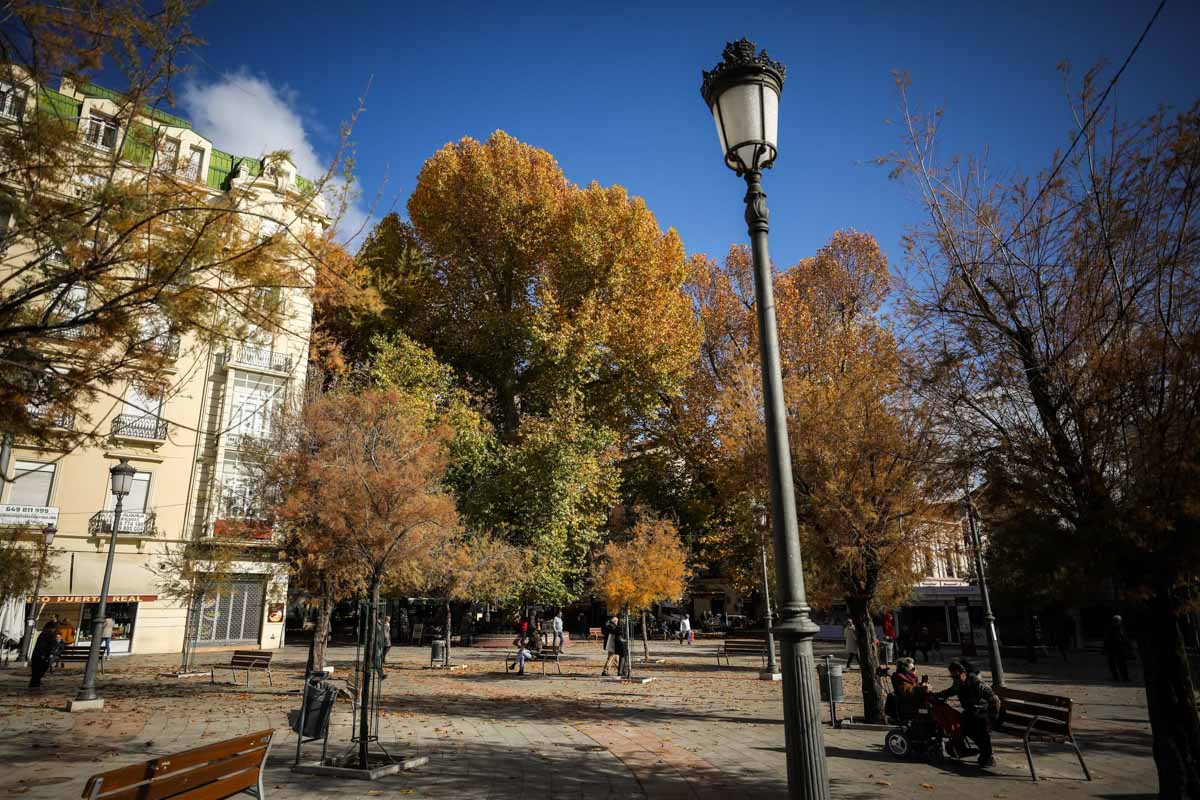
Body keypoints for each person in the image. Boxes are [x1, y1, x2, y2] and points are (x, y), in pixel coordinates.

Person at [934, 660, 999, 768]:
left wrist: (992, 718)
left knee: (979, 727)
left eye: (957, 676)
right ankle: (966, 750)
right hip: (971, 713)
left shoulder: (977, 683)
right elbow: (950, 691)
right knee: (963, 724)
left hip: (983, 713)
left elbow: (994, 700)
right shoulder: (959, 683)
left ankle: (987, 756)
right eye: (953, 677)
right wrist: (936, 695)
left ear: (964, 672)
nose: (955, 680)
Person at [29, 623, 60, 689]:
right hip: (42, 655)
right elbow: (51, 645)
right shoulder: (50, 635)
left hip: (36, 655)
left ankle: (34, 683)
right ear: (53, 628)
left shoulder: (42, 634)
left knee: (35, 670)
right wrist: (49, 654)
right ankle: (35, 683)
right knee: (41, 669)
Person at [1104, 614, 1132, 682]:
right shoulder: (1113, 628)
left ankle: (1123, 678)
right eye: (1117, 620)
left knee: (1120, 664)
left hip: (1118, 649)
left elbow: (1125, 638)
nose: (1118, 622)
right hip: (1114, 649)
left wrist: (1128, 646)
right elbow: (1107, 639)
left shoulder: (1120, 628)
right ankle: (1118, 678)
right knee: (1115, 664)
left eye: (1118, 620)